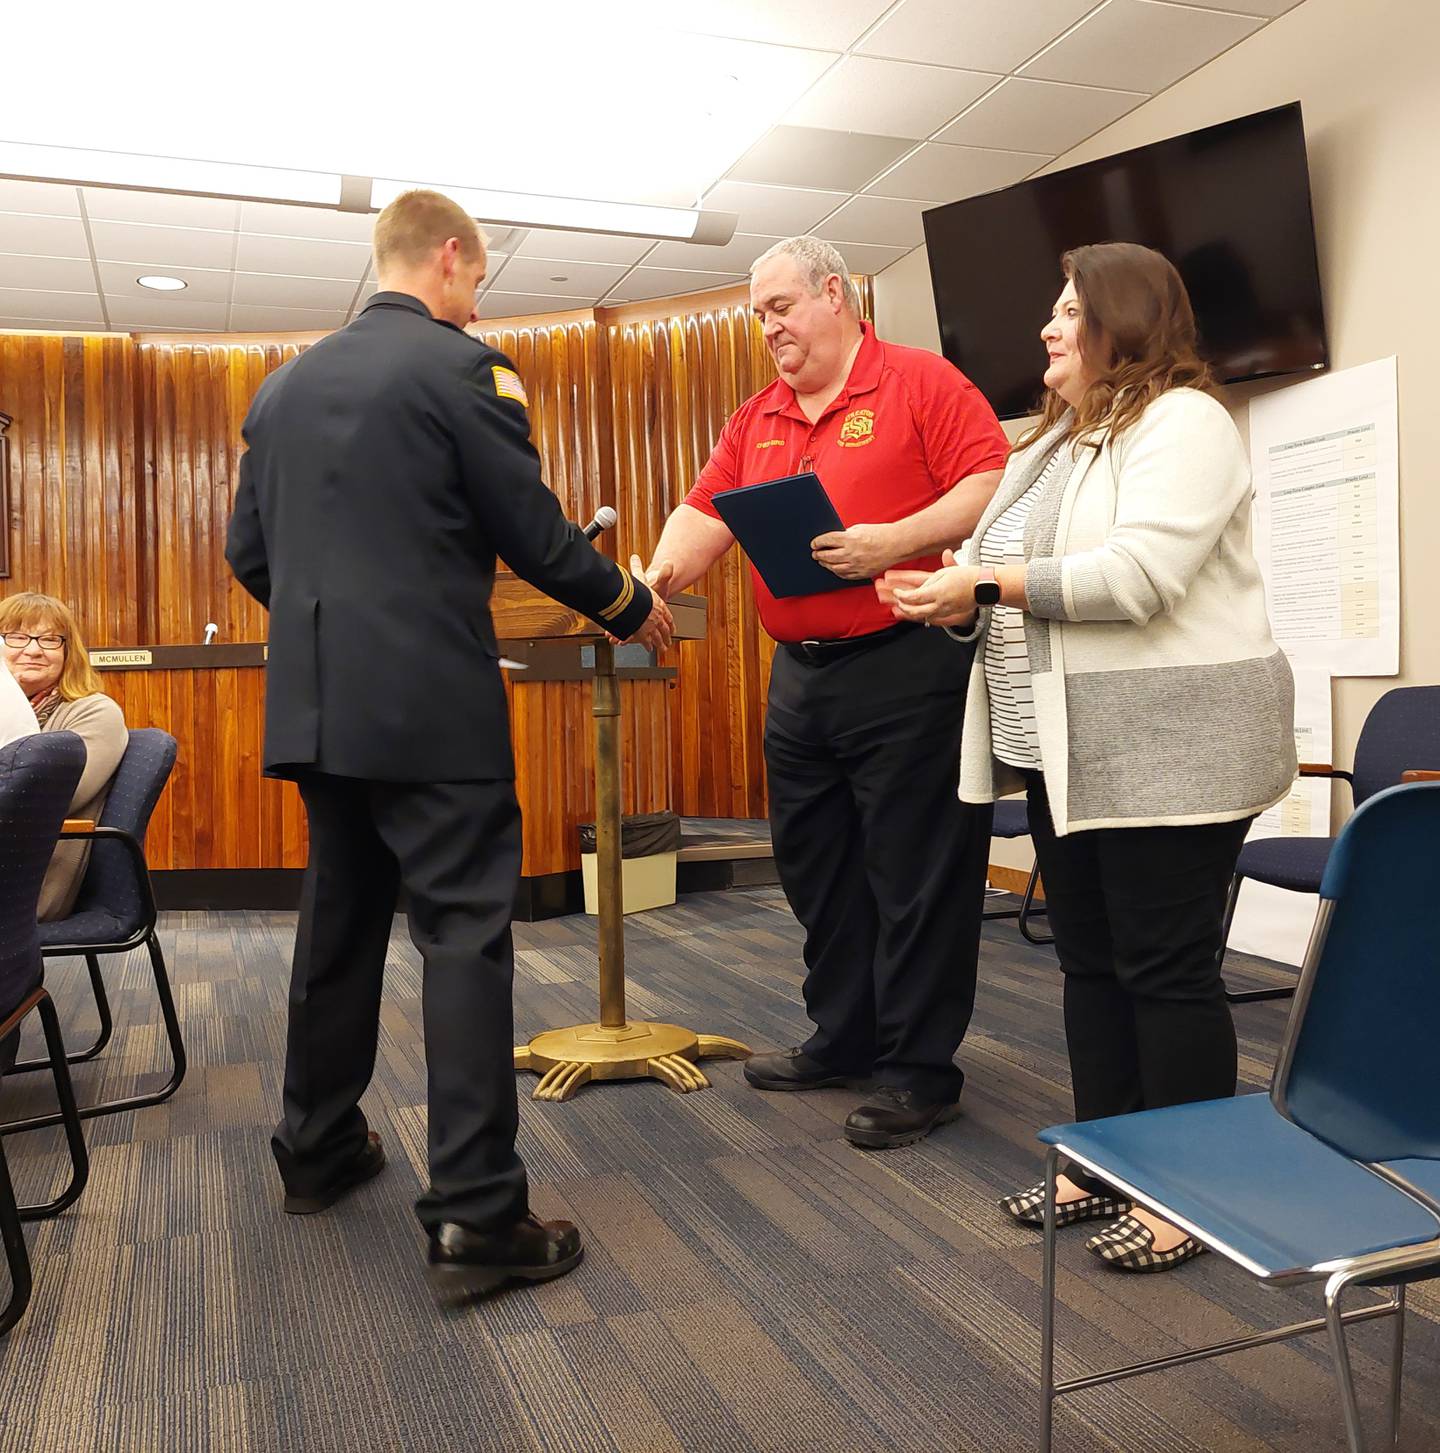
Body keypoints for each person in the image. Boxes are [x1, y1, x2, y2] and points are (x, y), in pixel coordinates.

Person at [225, 188, 672, 1298]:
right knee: (465, 937)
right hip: (432, 709)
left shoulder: (281, 389)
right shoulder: (466, 370)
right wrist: (626, 600)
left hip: (321, 708)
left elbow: (249, 553)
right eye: (478, 276)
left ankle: (316, 1148)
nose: (479, 295)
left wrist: (339, 631)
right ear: (453, 258)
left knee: (339, 923)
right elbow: (529, 530)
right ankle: (476, 1214)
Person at [880, 242, 1295, 1271]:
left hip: (1169, 745)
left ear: (1122, 320)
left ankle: (1192, 1193)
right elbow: (993, 574)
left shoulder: (1185, 421)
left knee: (1164, 971)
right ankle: (1104, 1161)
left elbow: (1139, 576)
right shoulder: (1050, 443)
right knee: (1091, 966)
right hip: (1062, 752)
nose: (1048, 329)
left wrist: (982, 588)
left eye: (1070, 312)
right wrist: (949, 595)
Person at [632, 236, 1008, 1149]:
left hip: (908, 661)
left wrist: (894, 540)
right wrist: (657, 577)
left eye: (781, 307)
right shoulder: (757, 415)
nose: (769, 327)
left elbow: (990, 480)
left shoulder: (921, 382)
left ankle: (920, 1070)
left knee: (916, 875)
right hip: (801, 674)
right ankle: (844, 1036)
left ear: (834, 295)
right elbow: (703, 509)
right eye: (759, 315)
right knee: (816, 865)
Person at [0, 592, 128, 920]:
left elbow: (49, 801)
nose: (32, 649)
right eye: (15, 637)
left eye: (49, 639)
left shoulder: (95, 713)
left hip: (30, 880)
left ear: (68, 652)